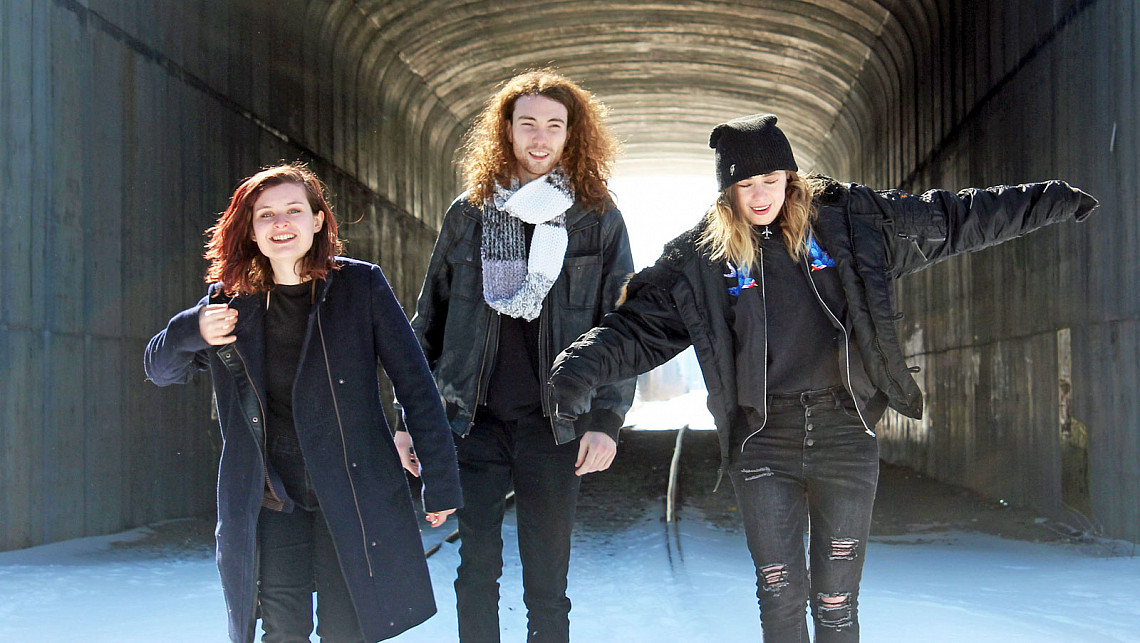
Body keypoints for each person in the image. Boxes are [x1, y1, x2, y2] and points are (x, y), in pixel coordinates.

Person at [548, 113, 1098, 642]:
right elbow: (636, 330)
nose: (760, 195)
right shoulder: (701, 261)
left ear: (791, 177)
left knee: (836, 603)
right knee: (779, 594)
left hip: (844, 434)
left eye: (771, 180)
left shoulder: (852, 225)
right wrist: (574, 371)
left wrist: (1051, 200)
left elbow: (953, 219)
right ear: (727, 193)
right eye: (745, 185)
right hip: (763, 441)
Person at [144, 163, 462, 643]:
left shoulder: (359, 286)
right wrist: (192, 329)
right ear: (250, 230)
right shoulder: (229, 303)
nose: (281, 223)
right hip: (273, 497)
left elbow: (415, 385)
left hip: (351, 492)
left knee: (345, 630)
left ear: (317, 221)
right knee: (283, 630)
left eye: (294, 210)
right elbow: (160, 369)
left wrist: (440, 479)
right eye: (265, 215)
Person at [399, 69, 635, 642]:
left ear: (571, 134)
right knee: (475, 571)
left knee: (547, 583)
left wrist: (606, 420)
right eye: (527, 123)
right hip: (473, 422)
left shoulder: (597, 219)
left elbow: (621, 328)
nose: (539, 137)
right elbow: (428, 323)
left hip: (555, 426)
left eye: (554, 125)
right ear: (506, 130)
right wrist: (409, 422)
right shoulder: (469, 214)